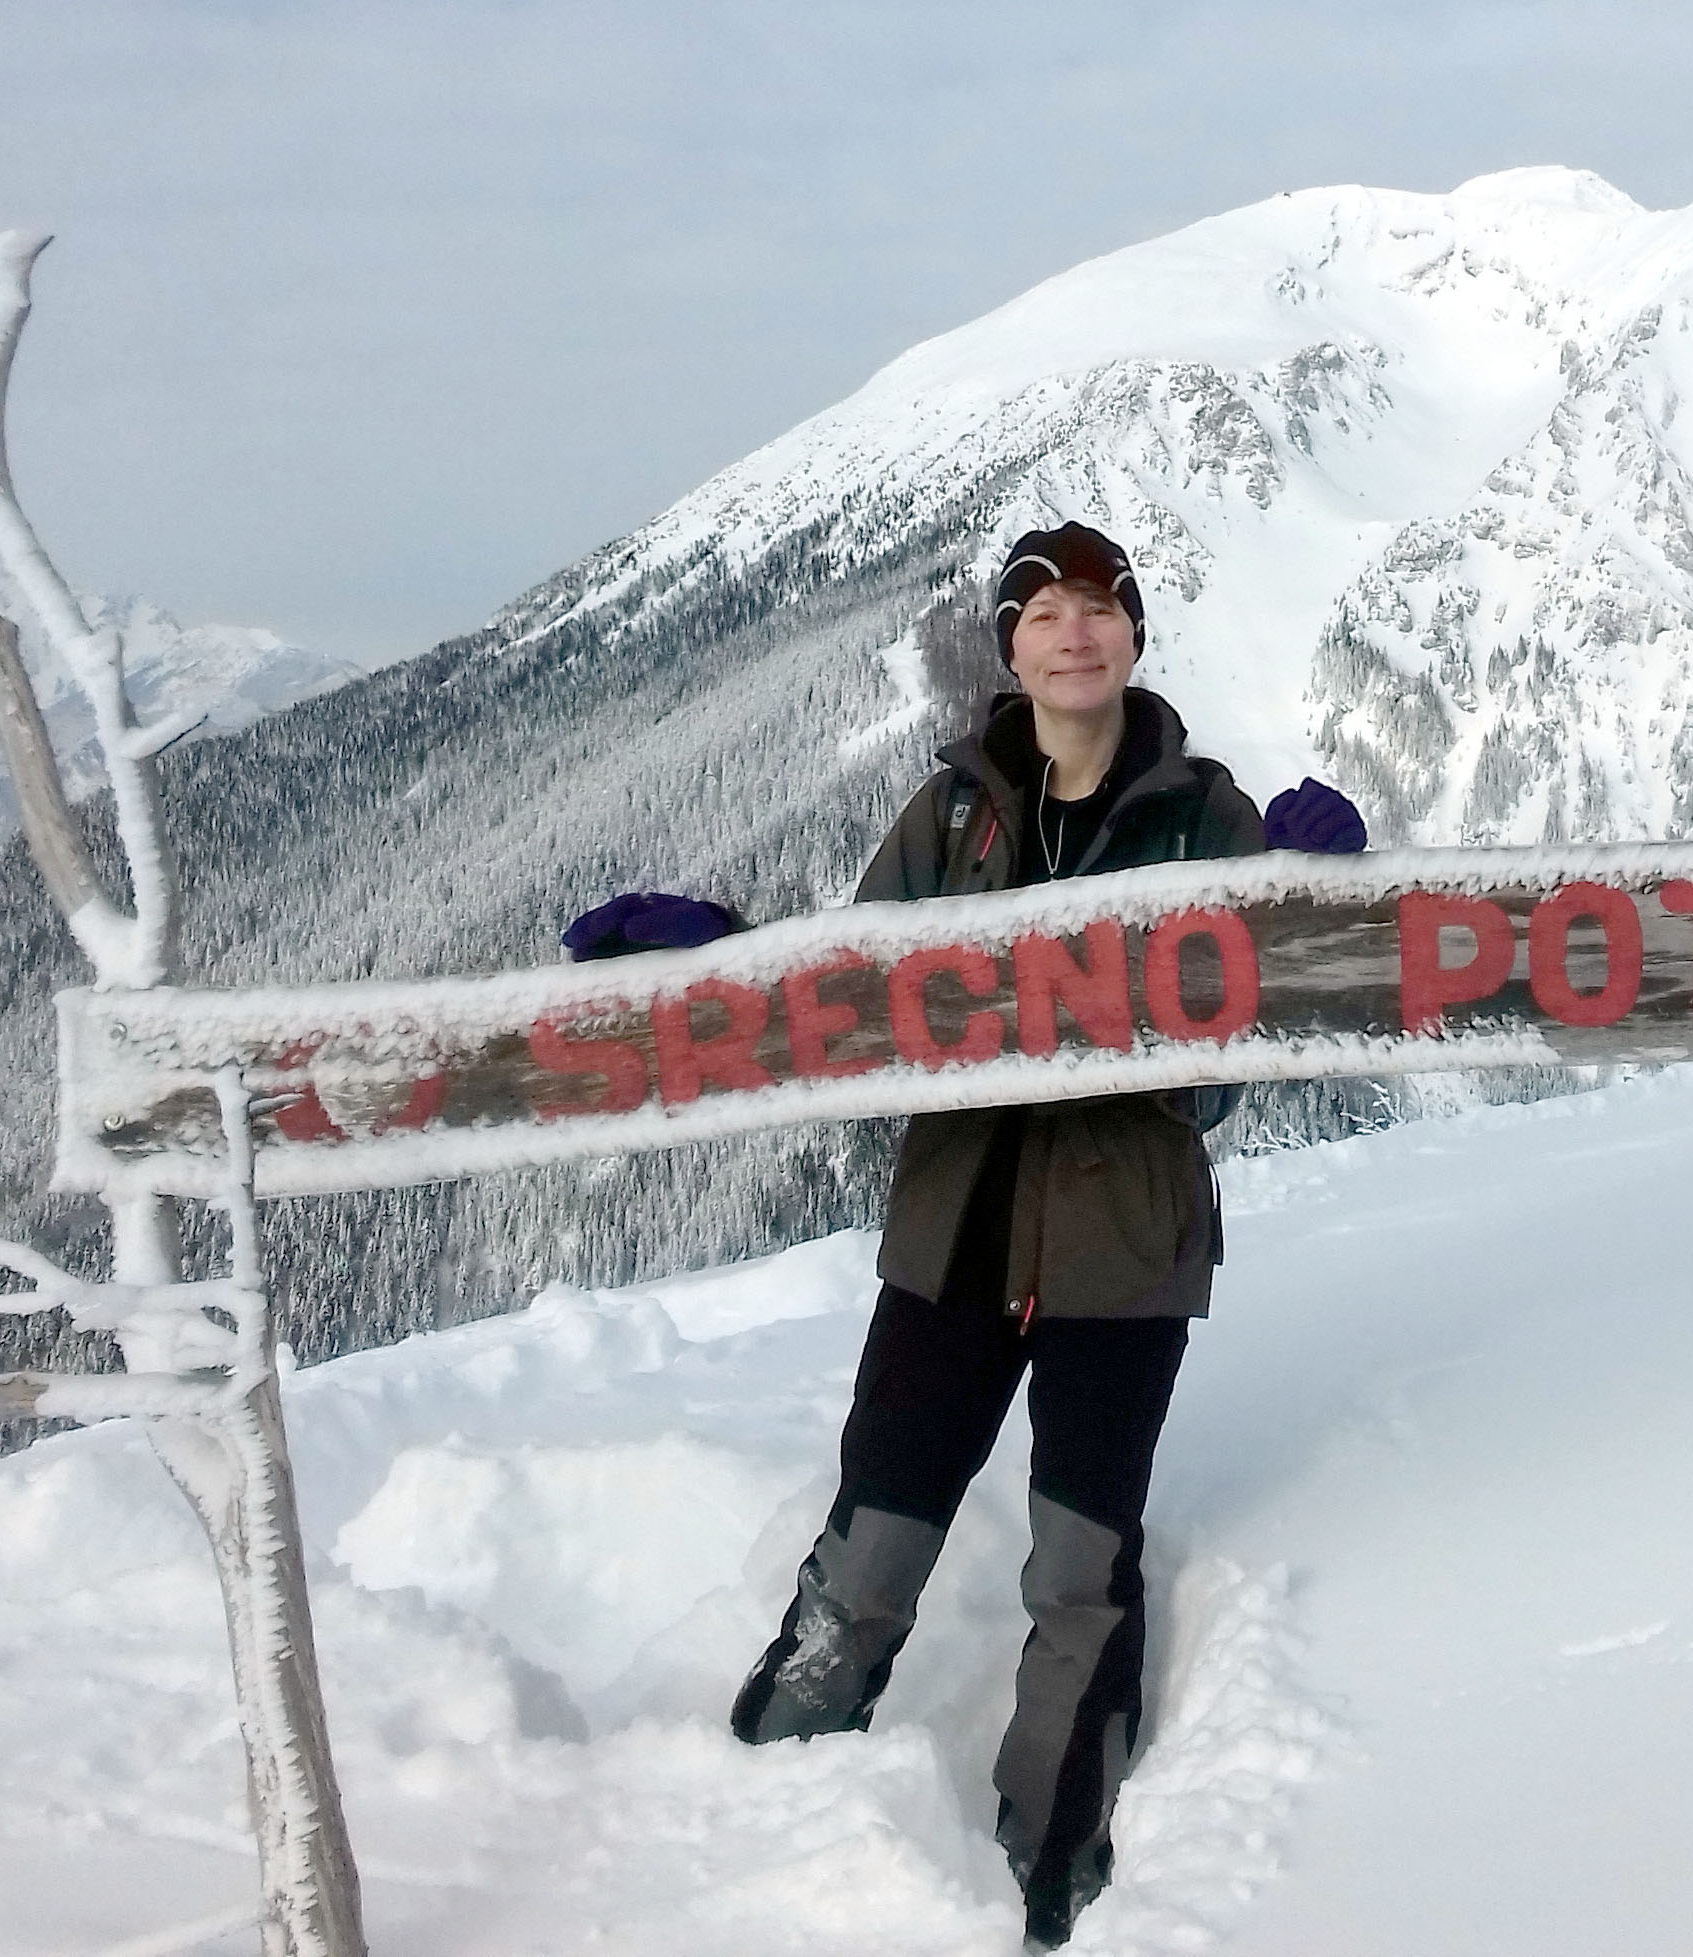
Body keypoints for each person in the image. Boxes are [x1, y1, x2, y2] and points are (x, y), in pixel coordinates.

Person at [731, 522, 1263, 1949]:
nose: (1072, 634)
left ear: (1135, 636)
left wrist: (1283, 935)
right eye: (1042, 613)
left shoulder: (1208, 816)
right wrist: (704, 965)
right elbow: (844, 994)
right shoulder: (952, 812)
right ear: (1008, 647)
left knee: (1078, 1565)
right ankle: (757, 1790)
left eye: (1099, 608)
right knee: (876, 1531)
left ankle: (1050, 1853)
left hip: (1121, 1248)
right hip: (955, 1235)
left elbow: (1233, 1068)